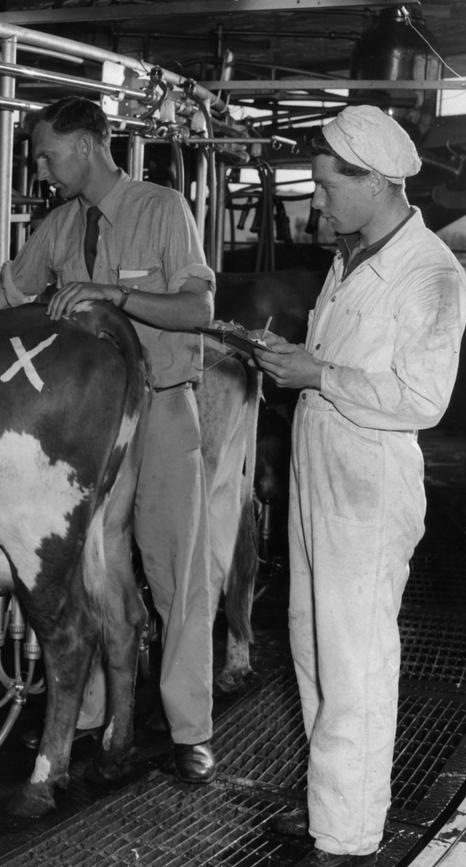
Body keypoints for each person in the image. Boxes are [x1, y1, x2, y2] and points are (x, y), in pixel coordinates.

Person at [0, 96, 218, 784]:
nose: (38, 164)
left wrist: (115, 297)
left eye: (46, 151)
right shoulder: (60, 225)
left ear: (89, 147)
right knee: (87, 570)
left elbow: (199, 307)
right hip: (85, 431)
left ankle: (190, 729)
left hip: (162, 409)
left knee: (174, 570)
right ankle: (88, 716)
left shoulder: (163, 209)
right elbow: (3, 294)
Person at [251, 105, 466, 867]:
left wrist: (319, 374)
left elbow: (423, 397)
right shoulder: (353, 257)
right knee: (314, 646)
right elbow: (337, 364)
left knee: (356, 660)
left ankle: (346, 838)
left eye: (327, 185)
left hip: (369, 481)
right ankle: (328, 808)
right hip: (323, 462)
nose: (318, 202)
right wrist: (294, 367)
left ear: (375, 181)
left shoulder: (431, 272)